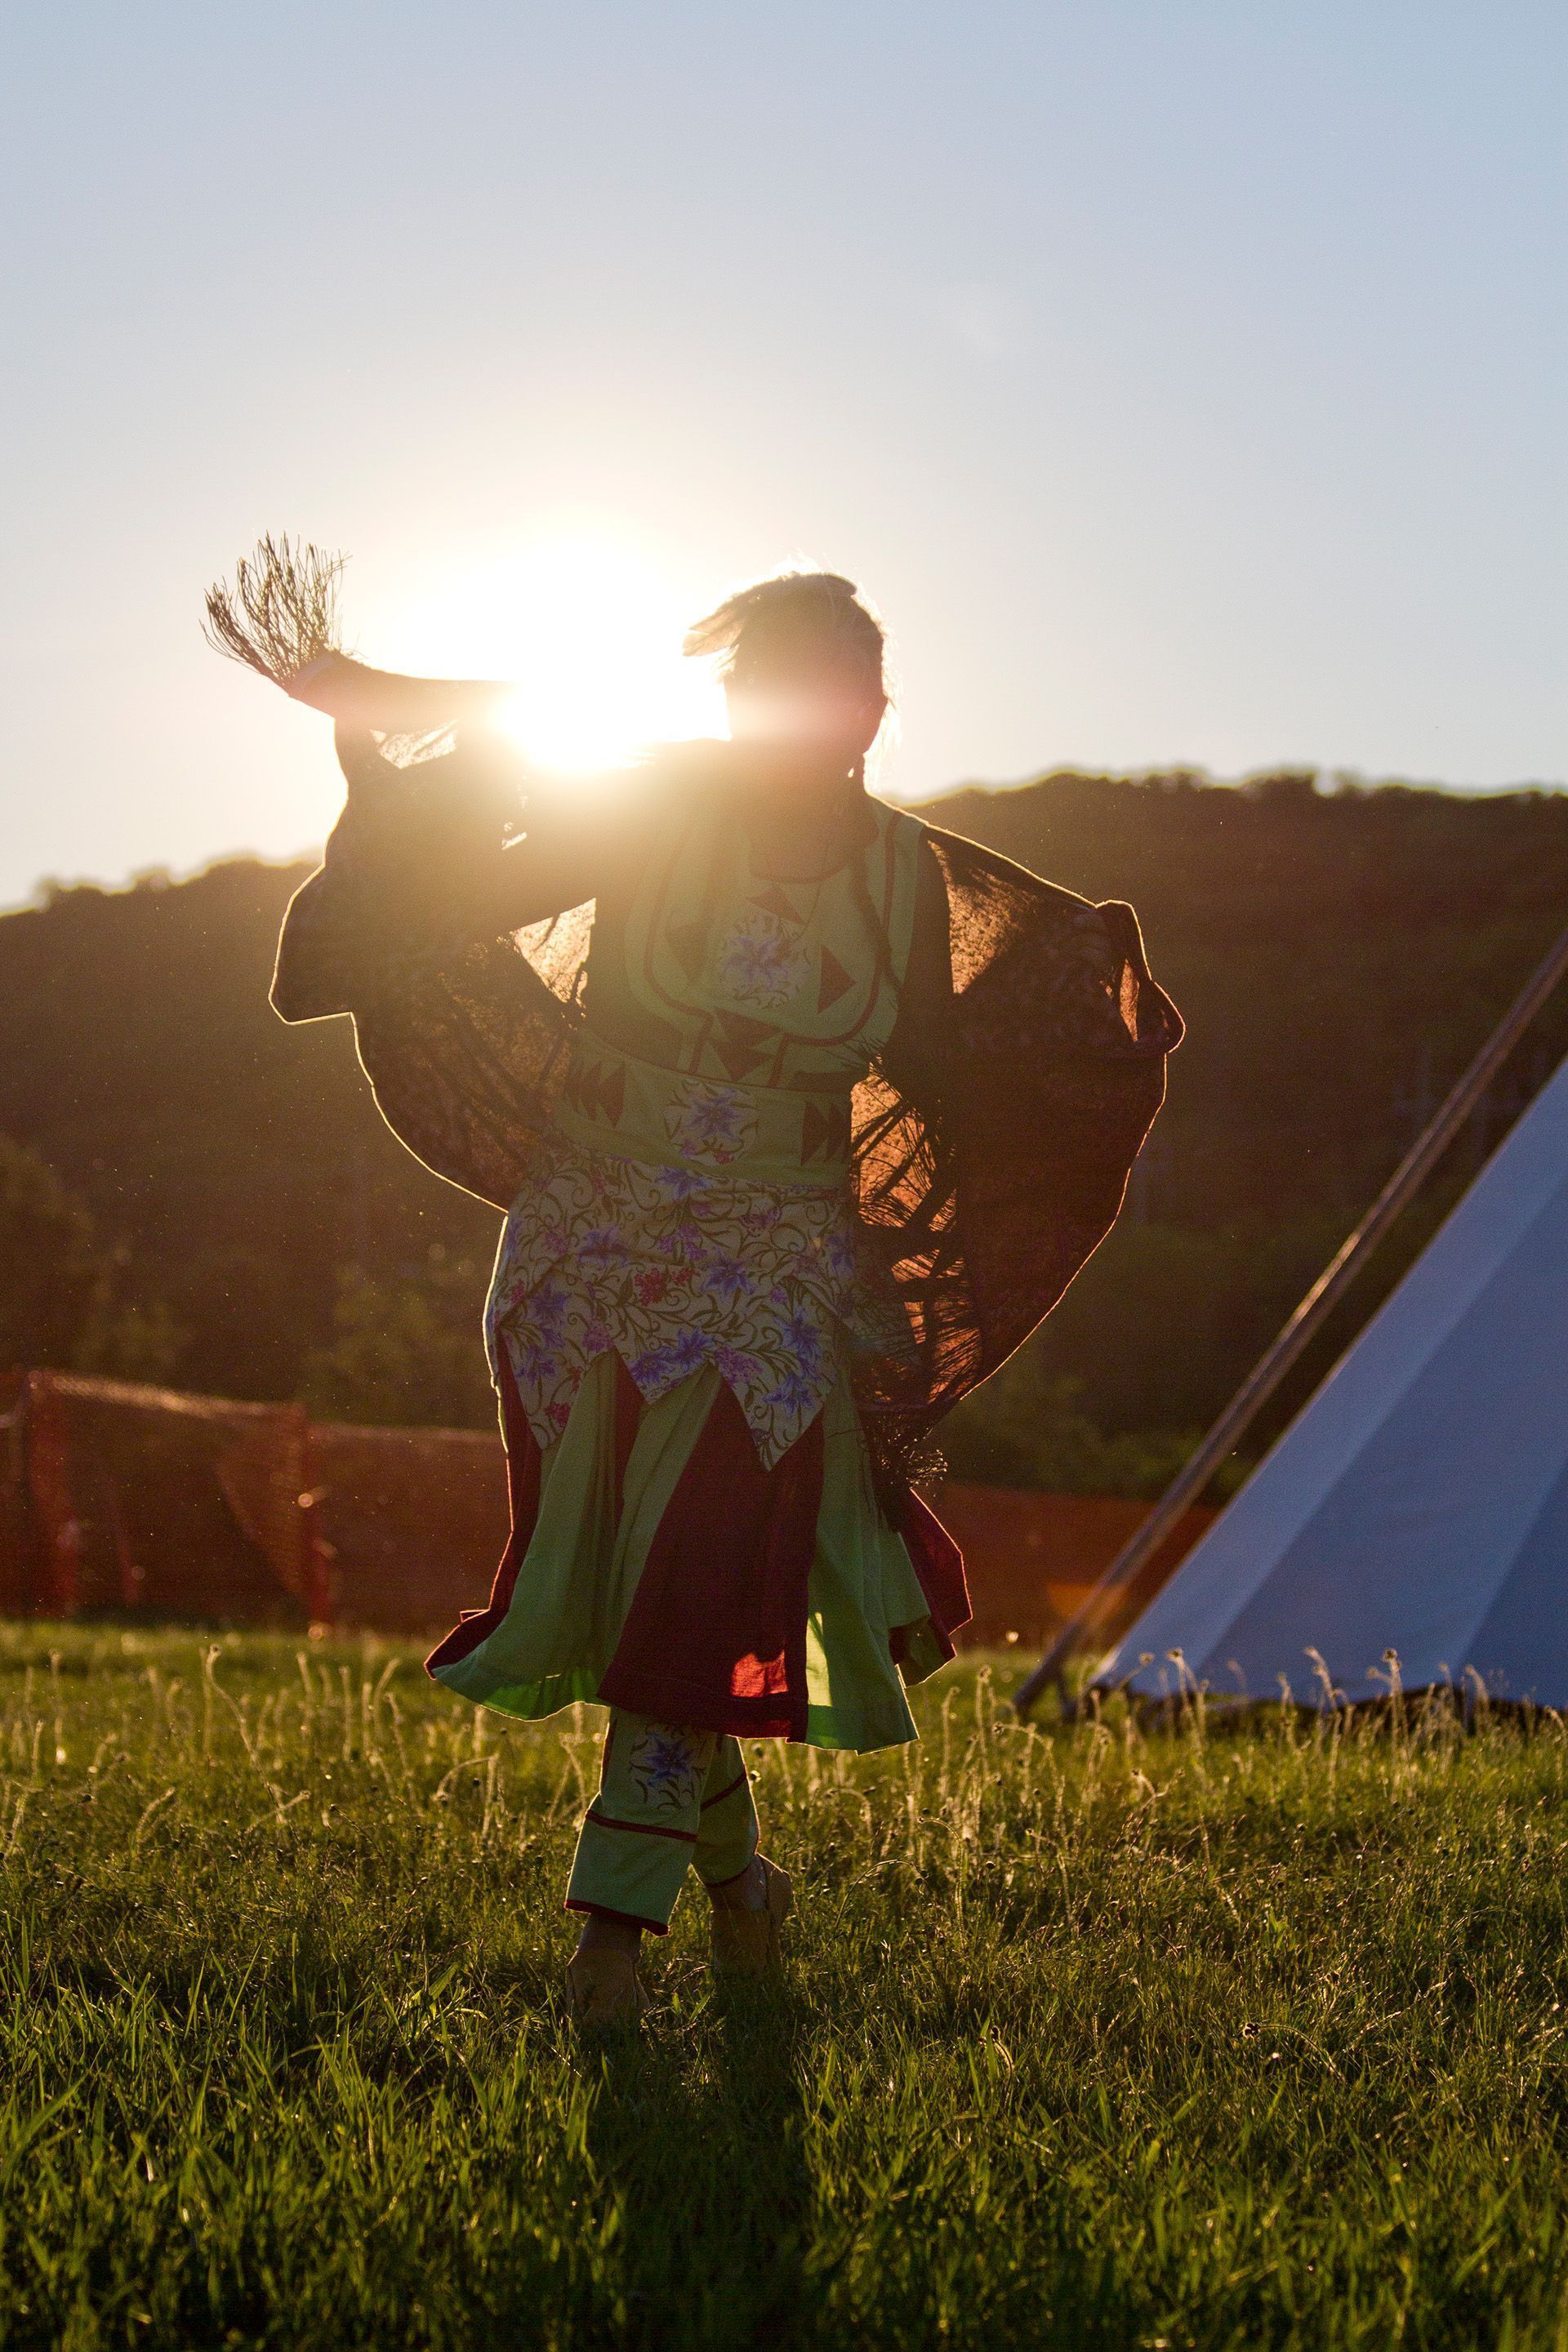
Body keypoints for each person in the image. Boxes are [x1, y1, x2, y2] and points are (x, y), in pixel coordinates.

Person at [210, 547, 1181, 2023]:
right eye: (764, 691)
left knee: (703, 1552)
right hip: (589, 1238)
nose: (800, 720)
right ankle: (740, 1882)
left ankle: (611, 1931)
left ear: (871, 709)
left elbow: (935, 1063)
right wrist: (391, 725)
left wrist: (1075, 1039)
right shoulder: (656, 799)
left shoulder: (904, 875)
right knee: (641, 1580)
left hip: (778, 1259)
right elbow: (460, 875)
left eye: (832, 695)